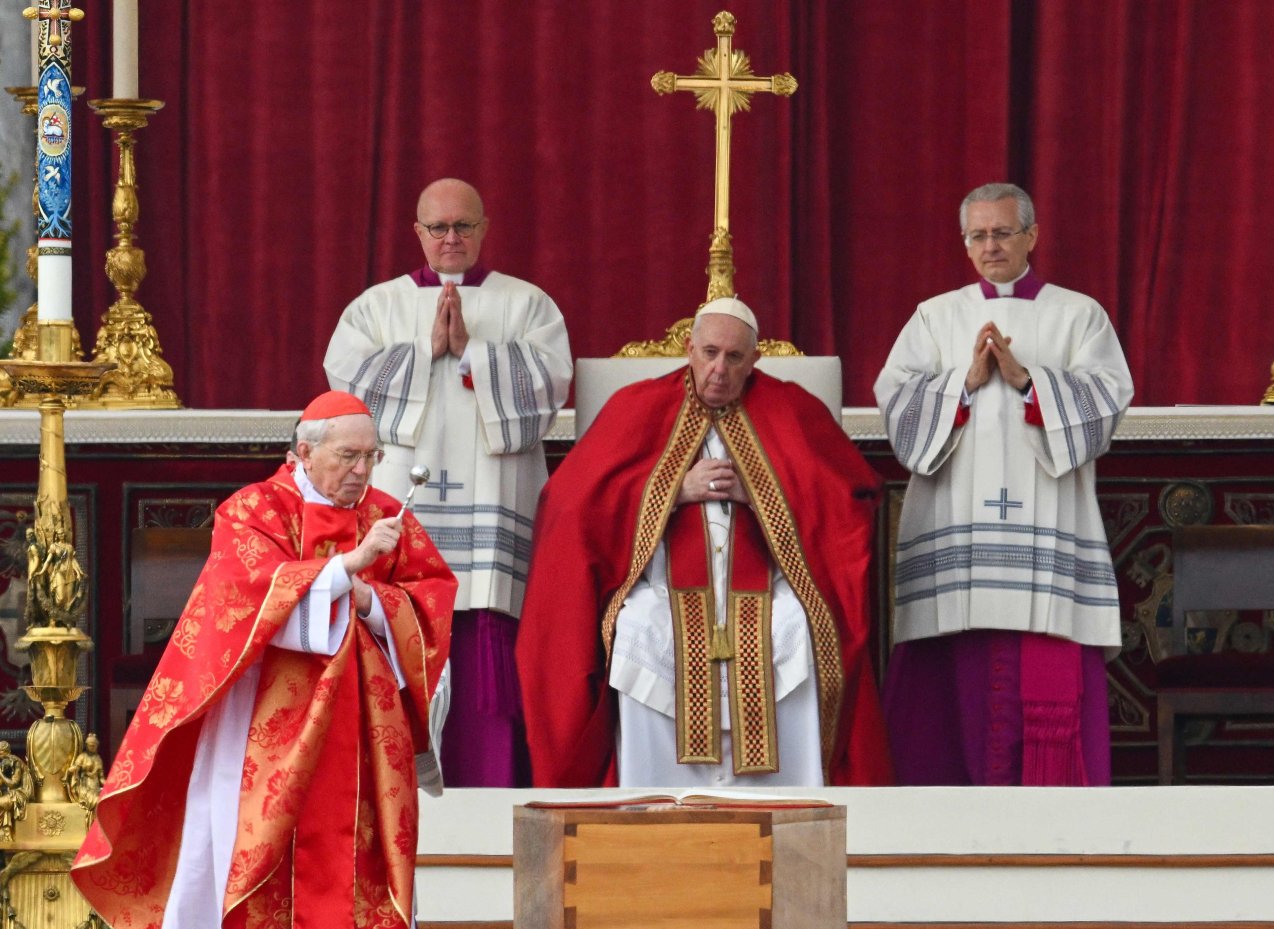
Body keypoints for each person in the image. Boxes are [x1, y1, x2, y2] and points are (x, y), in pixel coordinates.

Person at [71, 391, 457, 929]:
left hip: (361, 745)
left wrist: (369, 598)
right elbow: (243, 605)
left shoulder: (391, 518)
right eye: (348, 457)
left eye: (371, 457)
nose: (362, 472)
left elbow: (428, 612)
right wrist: (344, 570)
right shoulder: (253, 512)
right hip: (257, 748)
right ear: (304, 450)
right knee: (237, 863)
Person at [518, 298, 892, 787]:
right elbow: (573, 506)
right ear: (689, 350)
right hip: (660, 590)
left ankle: (789, 800)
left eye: (734, 358)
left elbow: (849, 499)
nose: (718, 370)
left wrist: (763, 493)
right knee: (636, 628)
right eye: (709, 353)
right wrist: (671, 491)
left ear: (754, 360)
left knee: (797, 626)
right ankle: (651, 797)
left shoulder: (793, 410)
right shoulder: (637, 407)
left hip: (770, 592)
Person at [874, 182, 1134, 786]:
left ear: (1032, 237)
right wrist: (961, 383)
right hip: (954, 527)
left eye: (1002, 233)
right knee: (952, 669)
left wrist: (1026, 380)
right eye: (978, 235)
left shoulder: (1078, 314)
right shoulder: (935, 316)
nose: (990, 246)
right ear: (965, 244)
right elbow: (897, 405)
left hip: (1048, 522)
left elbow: (1107, 400)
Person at [324, 178, 570, 787]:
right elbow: (344, 396)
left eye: (464, 226)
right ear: (418, 233)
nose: (452, 238)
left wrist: (473, 353)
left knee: (485, 657)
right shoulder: (376, 307)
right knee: (398, 627)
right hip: (404, 513)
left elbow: (547, 391)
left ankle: (488, 793)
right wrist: (424, 349)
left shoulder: (527, 304)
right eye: (439, 227)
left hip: (491, 520)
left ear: (485, 229)